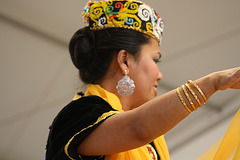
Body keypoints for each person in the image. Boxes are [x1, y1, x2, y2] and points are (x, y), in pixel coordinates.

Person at [45, 0, 240, 160]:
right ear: (124, 60)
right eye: (155, 59)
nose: (160, 74)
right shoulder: (77, 115)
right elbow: (137, 128)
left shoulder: (151, 140)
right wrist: (211, 83)